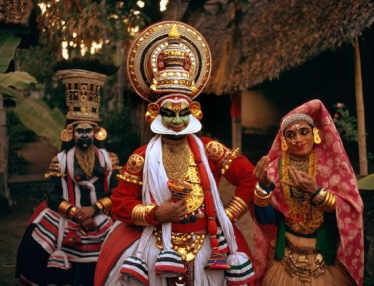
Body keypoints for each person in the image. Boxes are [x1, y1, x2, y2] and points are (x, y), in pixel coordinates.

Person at [94, 21, 257, 286]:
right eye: (170, 114)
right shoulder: (142, 157)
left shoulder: (209, 149)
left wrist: (227, 216)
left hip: (210, 247)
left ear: (194, 111)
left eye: (184, 113)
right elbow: (121, 203)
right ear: (155, 114)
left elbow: (248, 176)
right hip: (157, 246)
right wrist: (156, 214)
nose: (178, 121)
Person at [16, 69, 121, 285]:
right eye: (79, 131)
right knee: (38, 240)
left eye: (88, 131)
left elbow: (116, 194)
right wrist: (77, 214)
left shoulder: (110, 159)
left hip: (102, 214)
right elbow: (53, 196)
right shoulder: (60, 160)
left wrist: (93, 210)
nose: (84, 136)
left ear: (97, 132)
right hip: (65, 215)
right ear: (70, 134)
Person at [252, 99, 364, 285]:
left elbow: (349, 212)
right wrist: (263, 187)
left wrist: (316, 193)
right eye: (290, 134)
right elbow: (266, 221)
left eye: (304, 132)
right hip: (285, 260)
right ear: (284, 140)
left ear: (315, 134)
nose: (298, 139)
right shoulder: (273, 170)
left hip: (324, 260)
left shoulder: (331, 167)